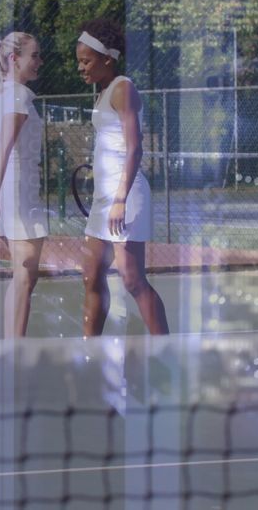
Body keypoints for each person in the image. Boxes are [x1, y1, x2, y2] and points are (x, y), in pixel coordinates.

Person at [75, 19, 169, 336]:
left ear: (107, 59)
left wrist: (119, 200)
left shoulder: (123, 88)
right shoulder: (103, 92)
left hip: (124, 197)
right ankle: (91, 348)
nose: (81, 68)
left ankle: (165, 347)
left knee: (131, 278)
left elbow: (135, 148)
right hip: (105, 200)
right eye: (79, 61)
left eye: (86, 61)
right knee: (91, 274)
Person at [0, 31, 47, 338]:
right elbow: (2, 150)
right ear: (15, 59)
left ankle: (11, 343)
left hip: (12, 189)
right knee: (25, 275)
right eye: (35, 56)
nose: (39, 62)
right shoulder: (16, 95)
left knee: (23, 275)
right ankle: (15, 349)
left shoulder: (2, 94)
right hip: (17, 191)